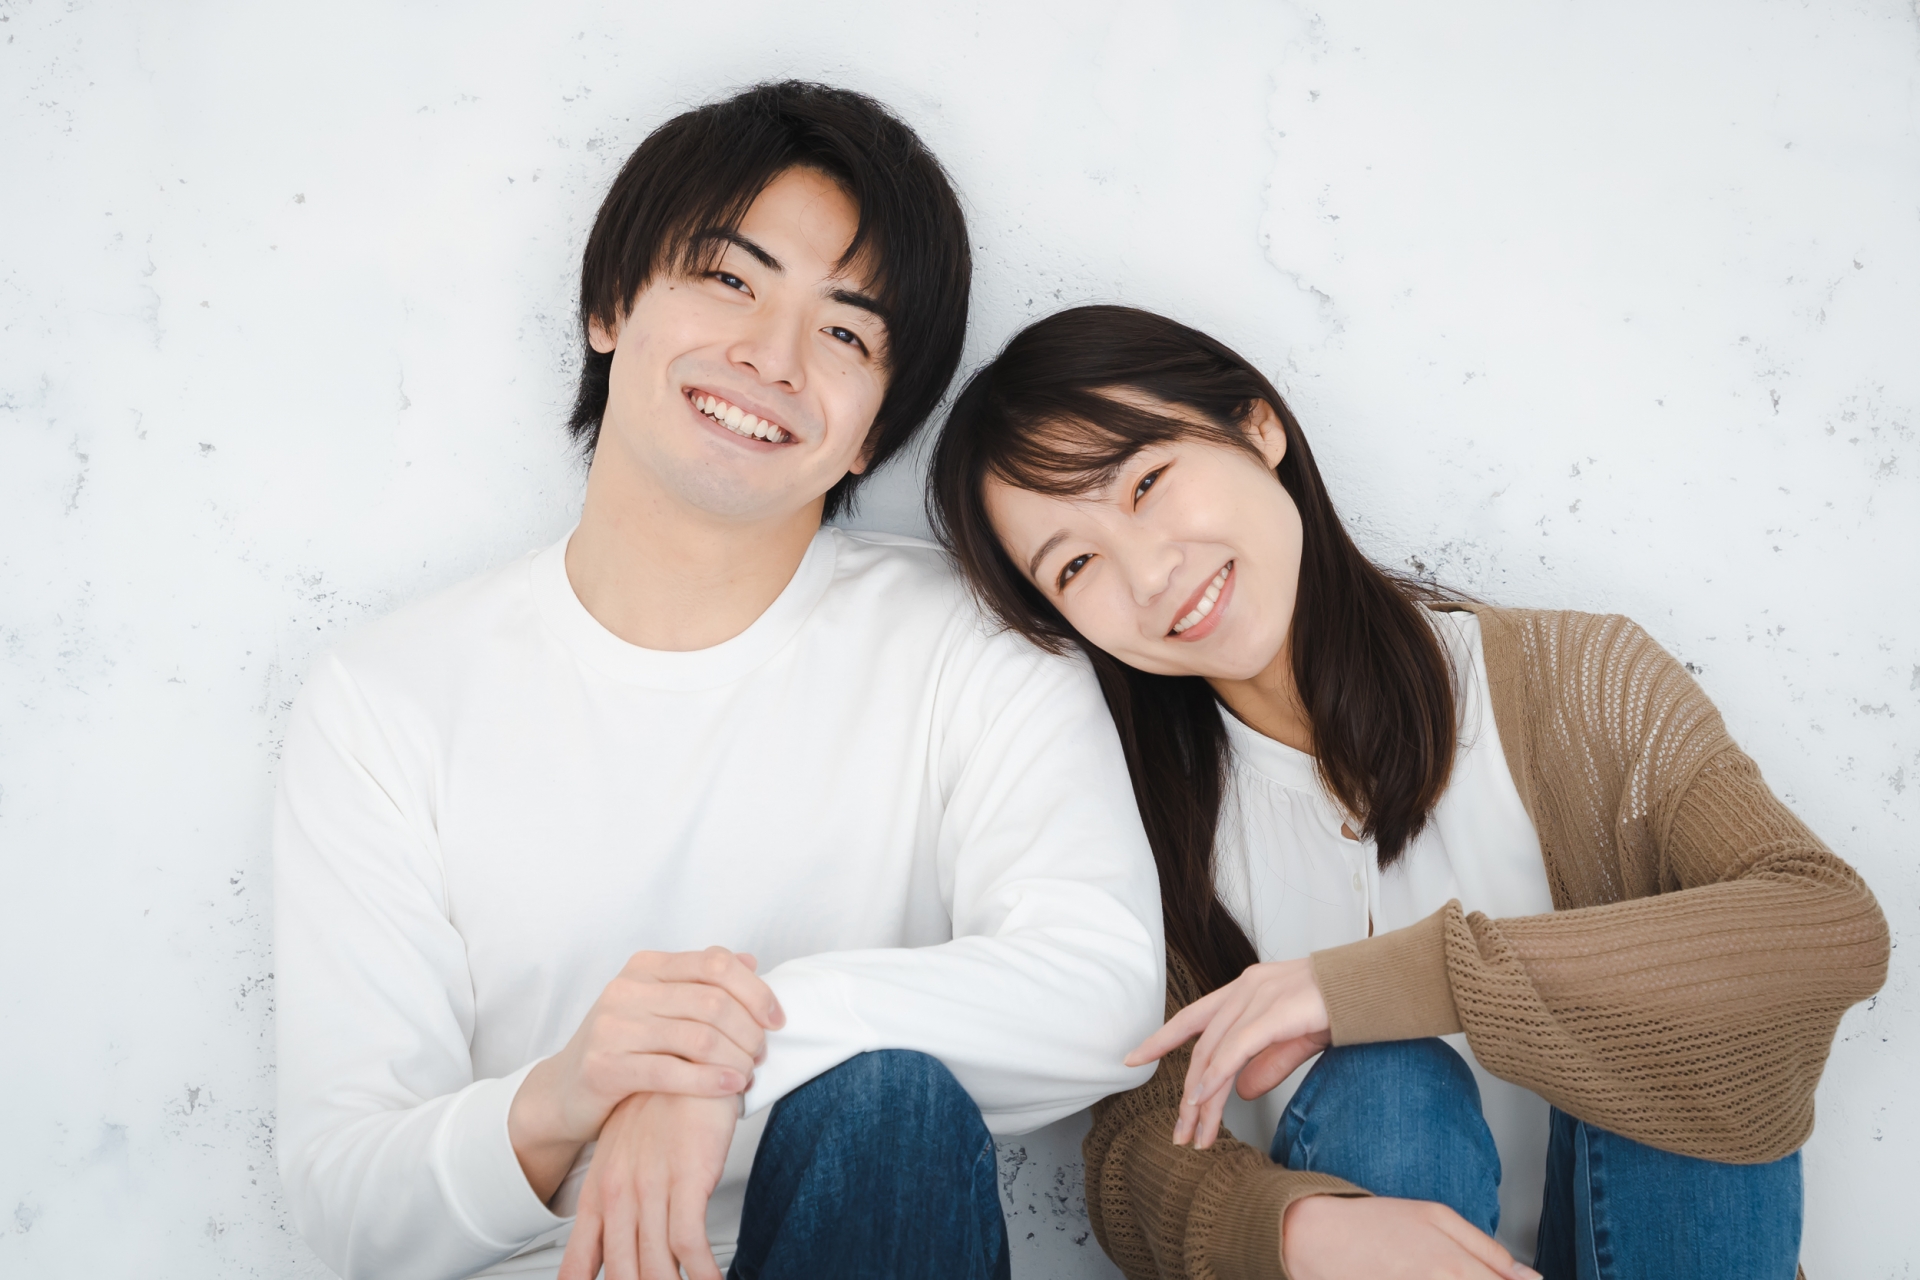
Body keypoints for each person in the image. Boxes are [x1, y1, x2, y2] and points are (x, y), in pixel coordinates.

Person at [273, 86, 1165, 1280]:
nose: (772, 357)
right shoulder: (386, 697)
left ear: (874, 432)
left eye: (846, 333)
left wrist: (734, 1054)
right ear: (609, 303)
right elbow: (346, 1199)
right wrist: (573, 1089)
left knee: (892, 1104)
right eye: (731, 279)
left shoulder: (975, 643)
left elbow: (1103, 991)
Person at [928, 304, 1889, 1280]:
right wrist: (1297, 1228)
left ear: (1257, 426)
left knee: (1683, 1018)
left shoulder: (1576, 684)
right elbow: (1138, 1151)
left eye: (1146, 482)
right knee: (1387, 1082)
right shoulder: (1129, 827)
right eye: (1076, 564)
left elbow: (1826, 922)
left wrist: (1371, 984)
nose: (1147, 574)